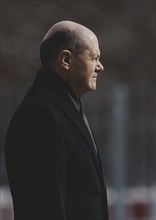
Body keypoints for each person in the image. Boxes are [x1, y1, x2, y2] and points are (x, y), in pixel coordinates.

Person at [5, 20, 108, 220]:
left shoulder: (64, 107)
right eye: (94, 57)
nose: (100, 67)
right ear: (66, 60)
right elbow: (42, 207)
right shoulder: (39, 115)